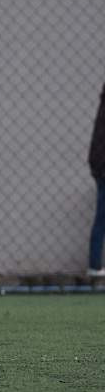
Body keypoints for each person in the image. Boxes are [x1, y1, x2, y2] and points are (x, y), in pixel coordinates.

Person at [88, 82, 105, 277]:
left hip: (100, 167)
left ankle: (94, 265)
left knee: (101, 217)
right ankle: (94, 265)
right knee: (101, 217)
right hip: (103, 168)